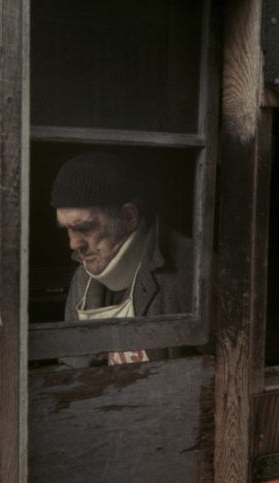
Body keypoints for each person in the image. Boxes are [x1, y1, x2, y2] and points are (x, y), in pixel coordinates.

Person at [51, 151, 195, 364]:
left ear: (128, 217)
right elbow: (72, 366)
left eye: (85, 228)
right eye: (67, 230)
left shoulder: (192, 272)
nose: (73, 244)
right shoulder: (83, 277)